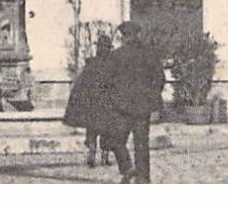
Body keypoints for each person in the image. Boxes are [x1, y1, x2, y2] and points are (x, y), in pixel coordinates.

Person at [106, 20, 165, 183]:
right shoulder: (149, 54)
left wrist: (114, 101)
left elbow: (108, 83)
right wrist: (152, 100)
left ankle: (127, 169)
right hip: (142, 108)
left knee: (116, 141)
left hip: (122, 108)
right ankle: (143, 178)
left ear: (124, 36)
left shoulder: (116, 56)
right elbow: (160, 79)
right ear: (137, 35)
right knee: (141, 144)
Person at [63, 35, 119, 169]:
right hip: (104, 103)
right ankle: (100, 156)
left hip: (96, 103)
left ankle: (93, 155)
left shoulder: (93, 64)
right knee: (105, 131)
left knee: (94, 131)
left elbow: (81, 85)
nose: (103, 49)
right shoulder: (110, 65)